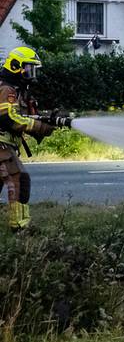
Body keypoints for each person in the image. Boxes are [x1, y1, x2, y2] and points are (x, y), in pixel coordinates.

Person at [0, 47, 72, 231]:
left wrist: (49, 120)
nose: (31, 74)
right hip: (2, 146)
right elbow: (9, 118)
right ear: (16, 66)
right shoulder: (6, 89)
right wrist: (39, 126)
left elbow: (27, 117)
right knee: (19, 178)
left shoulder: (17, 90)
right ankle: (19, 227)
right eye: (28, 68)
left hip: (7, 146)